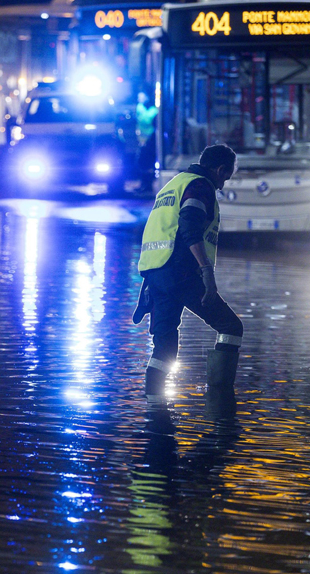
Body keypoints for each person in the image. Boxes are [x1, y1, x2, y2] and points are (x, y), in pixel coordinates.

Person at [132, 144, 243, 398]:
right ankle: (220, 401)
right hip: (180, 272)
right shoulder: (200, 186)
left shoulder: (173, 184)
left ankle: (154, 413)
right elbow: (189, 228)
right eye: (225, 177)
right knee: (231, 327)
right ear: (219, 169)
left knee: (164, 349)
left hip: (156, 276)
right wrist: (207, 273)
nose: (223, 184)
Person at [135, 92, 158, 192]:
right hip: (143, 141)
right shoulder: (142, 109)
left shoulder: (151, 111)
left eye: (141, 96)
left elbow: (146, 120)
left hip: (151, 141)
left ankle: (147, 185)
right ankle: (145, 184)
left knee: (147, 164)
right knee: (142, 163)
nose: (139, 98)